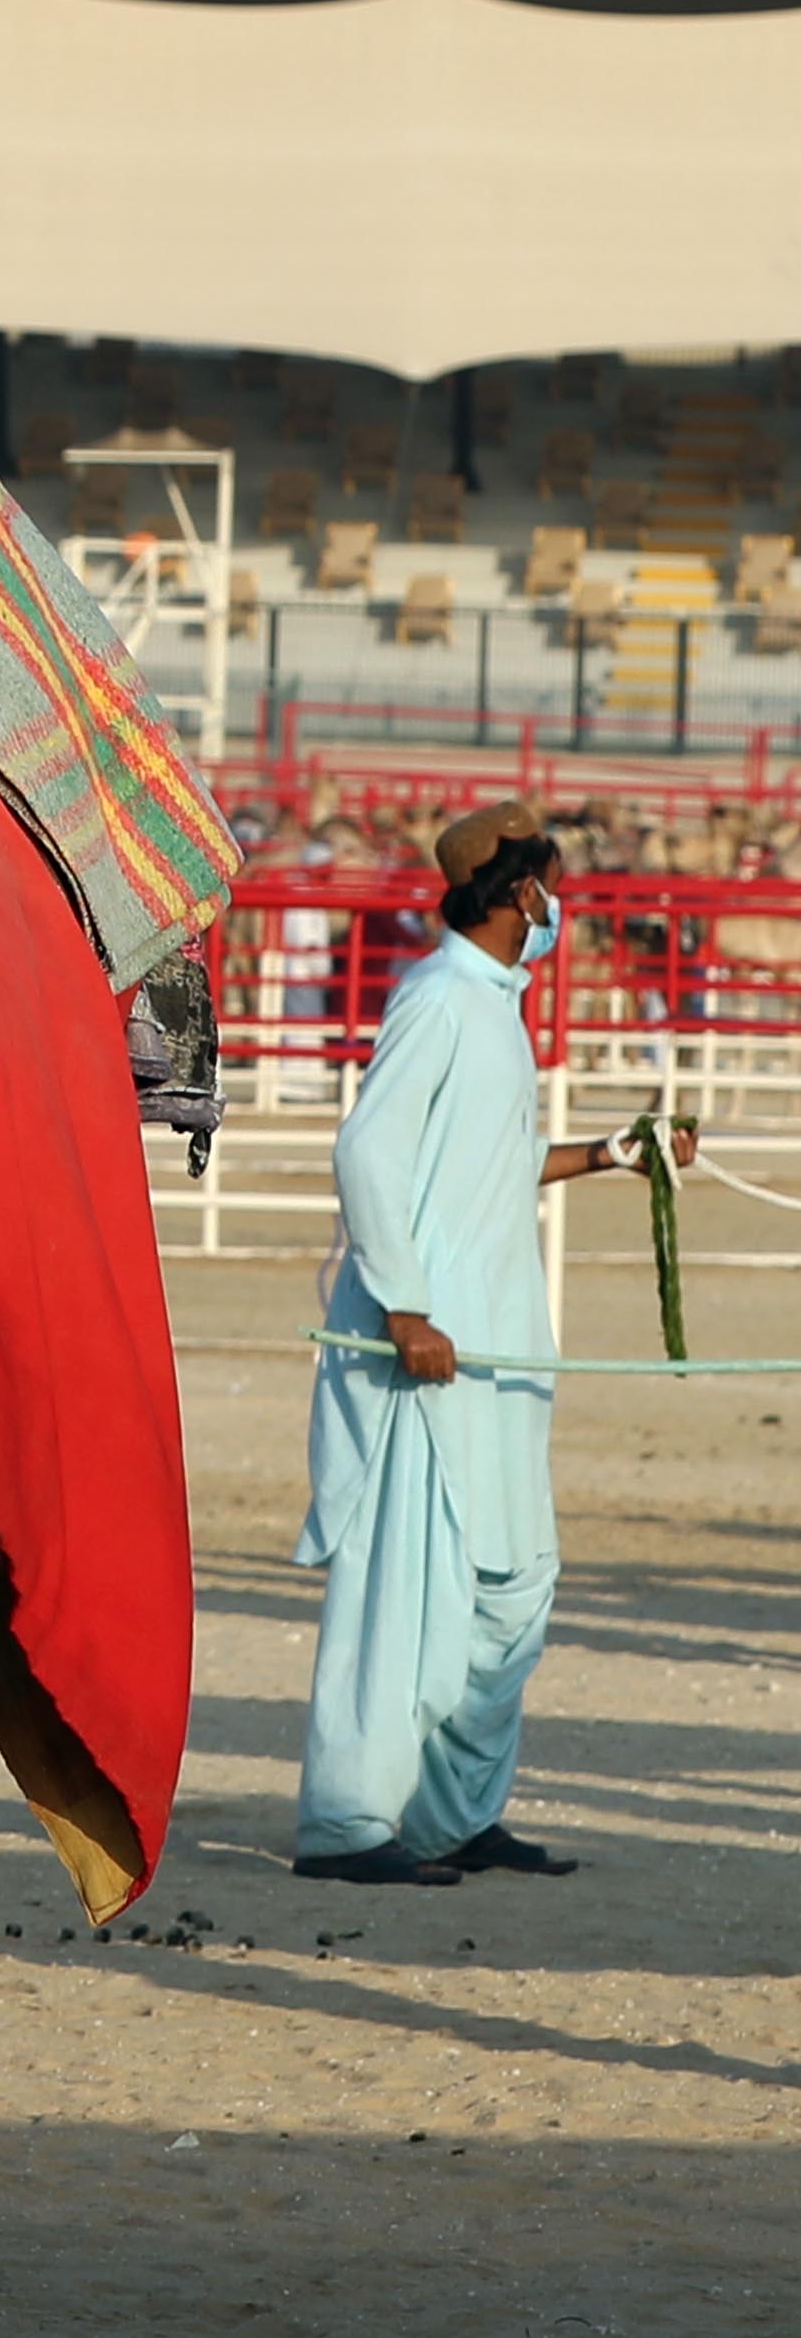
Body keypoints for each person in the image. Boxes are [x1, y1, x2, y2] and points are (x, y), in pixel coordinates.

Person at [295, 801, 671, 1889]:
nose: (559, 908)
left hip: (502, 1349)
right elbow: (367, 1152)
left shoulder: (493, 1010)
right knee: (408, 1583)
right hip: (428, 1349)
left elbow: (491, 1168)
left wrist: (611, 1154)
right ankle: (349, 1824)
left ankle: (458, 1815)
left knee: (513, 1582)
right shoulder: (440, 1001)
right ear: (516, 895)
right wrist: (407, 1309)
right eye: (549, 886)